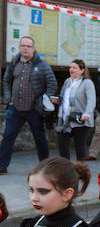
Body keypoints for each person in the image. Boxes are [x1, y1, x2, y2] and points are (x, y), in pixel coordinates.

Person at [0, 36, 58, 174]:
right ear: (20, 47)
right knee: (8, 137)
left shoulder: (42, 65)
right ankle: (2, 166)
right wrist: (8, 99)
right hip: (15, 108)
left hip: (34, 109)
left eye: (28, 46)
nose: (25, 48)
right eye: (23, 45)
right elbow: (6, 81)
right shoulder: (14, 64)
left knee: (40, 139)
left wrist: (45, 100)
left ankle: (45, 167)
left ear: (33, 48)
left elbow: (52, 84)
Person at [56, 59, 95, 161]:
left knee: (79, 149)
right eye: (70, 67)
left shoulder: (87, 83)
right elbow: (64, 98)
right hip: (65, 119)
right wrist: (56, 100)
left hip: (80, 120)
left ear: (82, 70)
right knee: (62, 146)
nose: (71, 70)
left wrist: (87, 113)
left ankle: (81, 172)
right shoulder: (67, 81)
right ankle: (66, 170)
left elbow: (92, 100)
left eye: (74, 68)